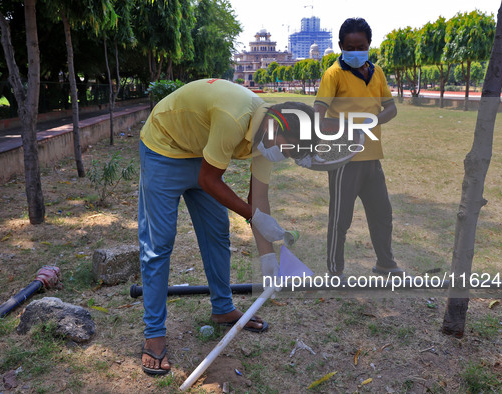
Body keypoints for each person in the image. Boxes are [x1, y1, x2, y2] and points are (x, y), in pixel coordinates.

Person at [137, 78, 316, 375]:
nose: (284, 156)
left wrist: (268, 258)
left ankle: (222, 309)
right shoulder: (234, 117)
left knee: (217, 232)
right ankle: (154, 332)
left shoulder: (269, 139)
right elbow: (211, 181)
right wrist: (254, 217)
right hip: (163, 148)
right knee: (159, 242)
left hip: (201, 152)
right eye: (287, 150)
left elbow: (257, 199)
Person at [312, 18, 404, 279]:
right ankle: (335, 271)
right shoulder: (334, 74)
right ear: (341, 46)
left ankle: (385, 263)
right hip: (344, 159)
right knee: (341, 219)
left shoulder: (378, 72)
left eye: (360, 46)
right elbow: (319, 110)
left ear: (368, 45)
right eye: (349, 47)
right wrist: (342, 128)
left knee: (382, 214)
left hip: (372, 157)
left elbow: (391, 108)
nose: (355, 51)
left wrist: (371, 122)